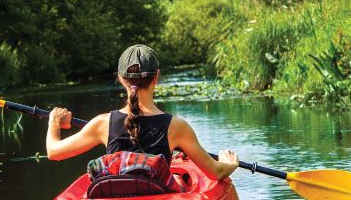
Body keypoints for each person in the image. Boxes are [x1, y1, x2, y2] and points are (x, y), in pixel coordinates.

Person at [46, 44, 240, 182]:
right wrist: (229, 164)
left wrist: (54, 124)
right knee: (178, 180)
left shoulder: (102, 123)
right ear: (156, 78)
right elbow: (216, 172)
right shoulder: (177, 126)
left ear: (121, 79)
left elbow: (54, 152)